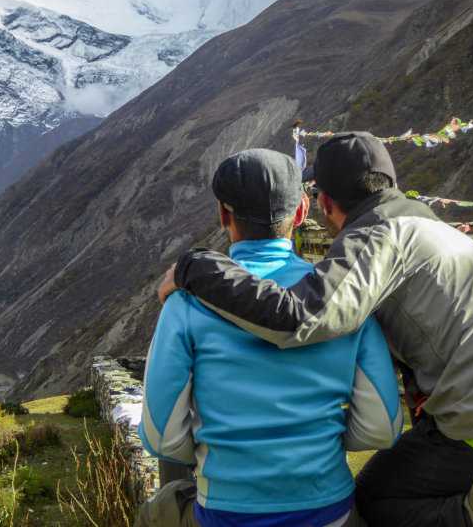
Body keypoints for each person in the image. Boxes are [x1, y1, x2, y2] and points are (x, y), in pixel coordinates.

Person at [160, 132, 473, 526]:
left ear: (323, 203)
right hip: (472, 403)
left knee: (376, 499)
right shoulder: (428, 228)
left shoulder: (378, 237)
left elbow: (299, 315)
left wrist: (194, 267)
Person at [137, 149, 402, 527]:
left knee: (159, 509)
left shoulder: (185, 306)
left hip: (225, 512)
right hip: (329, 511)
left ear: (223, 214)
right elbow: (382, 426)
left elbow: (161, 436)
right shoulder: (344, 302)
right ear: (300, 212)